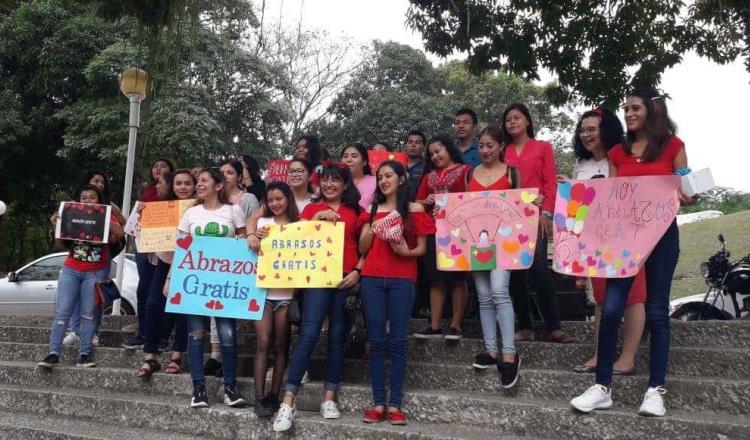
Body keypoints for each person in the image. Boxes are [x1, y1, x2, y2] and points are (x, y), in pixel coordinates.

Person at [571, 88, 695, 417]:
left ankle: (655, 390)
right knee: (610, 310)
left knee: (656, 311)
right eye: (625, 109)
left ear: (652, 111)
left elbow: (687, 185)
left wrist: (689, 194)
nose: (628, 113)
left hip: (662, 238)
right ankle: (602, 387)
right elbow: (612, 197)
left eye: (635, 108)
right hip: (623, 240)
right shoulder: (617, 152)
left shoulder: (673, 147)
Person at [273, 164, 364, 432]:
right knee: (309, 334)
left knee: (337, 335)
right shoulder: (310, 210)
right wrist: (315, 220)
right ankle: (288, 402)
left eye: (336, 180)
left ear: (346, 185)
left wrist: (358, 271)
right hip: (316, 279)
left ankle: (329, 399)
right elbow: (293, 238)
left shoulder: (356, 212)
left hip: (344, 278)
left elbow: (366, 247)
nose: (329, 184)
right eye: (325, 180)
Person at [569, 108, 647, 375]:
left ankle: (627, 357)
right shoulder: (581, 166)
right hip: (595, 239)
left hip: (627, 236)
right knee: (601, 298)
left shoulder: (625, 157)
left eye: (592, 129)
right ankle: (601, 354)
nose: (586, 135)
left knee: (634, 297)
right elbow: (578, 207)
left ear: (607, 130)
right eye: (582, 130)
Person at [358, 161, 433, 425]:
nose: (383, 180)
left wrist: (406, 252)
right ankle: (378, 404)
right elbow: (362, 247)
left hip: (403, 279)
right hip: (372, 278)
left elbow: (422, 248)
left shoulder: (415, 209)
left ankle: (397, 404)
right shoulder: (371, 209)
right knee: (377, 341)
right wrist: (374, 229)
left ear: (402, 179)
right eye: (380, 177)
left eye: (389, 175)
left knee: (399, 341)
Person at [501, 103, 573, 344]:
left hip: (536, 217)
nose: (512, 122)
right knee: (515, 275)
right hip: (510, 220)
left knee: (539, 269)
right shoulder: (504, 151)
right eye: (508, 119)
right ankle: (526, 326)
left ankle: (554, 326)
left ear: (528, 122)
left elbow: (550, 183)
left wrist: (547, 213)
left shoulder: (543, 147)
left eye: (517, 118)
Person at [177, 168, 247, 408]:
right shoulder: (191, 213)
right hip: (194, 283)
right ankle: (198, 389)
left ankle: (229, 387)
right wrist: (170, 279)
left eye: (204, 180)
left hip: (224, 285)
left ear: (219, 185)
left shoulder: (233, 211)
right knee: (196, 335)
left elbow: (243, 245)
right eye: (198, 181)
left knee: (228, 336)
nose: (199, 184)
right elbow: (181, 247)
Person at [38, 184, 124, 369]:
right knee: (63, 311)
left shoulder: (107, 215)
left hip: (96, 270)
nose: (87, 201)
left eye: (92, 197)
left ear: (99, 200)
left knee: (89, 313)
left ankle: (83, 355)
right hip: (71, 269)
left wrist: (105, 219)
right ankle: (53, 353)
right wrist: (57, 225)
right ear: (78, 200)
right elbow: (61, 243)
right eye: (83, 197)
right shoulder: (72, 214)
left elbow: (121, 234)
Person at [466, 125, 521, 388]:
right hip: (477, 242)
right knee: (484, 296)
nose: (485, 150)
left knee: (499, 291)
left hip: (506, 242)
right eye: (481, 146)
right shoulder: (470, 175)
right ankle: (491, 350)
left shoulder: (512, 172)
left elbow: (521, 206)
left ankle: (509, 354)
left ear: (501, 146)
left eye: (490, 145)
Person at [200, 160, 261, 377]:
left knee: (230, 310)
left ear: (238, 176)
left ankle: (230, 357)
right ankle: (216, 356)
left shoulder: (248, 199)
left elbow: (252, 227)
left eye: (230, 172)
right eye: (222, 172)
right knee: (215, 308)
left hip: (237, 262)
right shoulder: (210, 204)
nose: (226, 176)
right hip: (211, 264)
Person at [247, 182, 299, 417]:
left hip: (287, 296)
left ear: (288, 198)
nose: (276, 204)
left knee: (280, 346)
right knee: (263, 343)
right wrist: (252, 236)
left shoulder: (300, 227)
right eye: (271, 200)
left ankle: (274, 397)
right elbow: (250, 252)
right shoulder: (262, 224)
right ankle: (259, 397)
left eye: (280, 198)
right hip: (262, 294)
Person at [136, 170, 195, 379]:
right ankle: (151, 355)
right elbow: (142, 234)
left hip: (190, 263)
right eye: (178, 183)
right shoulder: (162, 208)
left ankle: (177, 355)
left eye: (188, 183)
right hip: (164, 260)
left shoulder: (199, 209)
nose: (183, 187)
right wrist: (144, 216)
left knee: (181, 310)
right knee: (152, 304)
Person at [413, 135, 472, 341]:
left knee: (458, 278)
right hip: (433, 230)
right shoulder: (428, 176)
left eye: (438, 151)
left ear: (449, 148)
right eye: (431, 154)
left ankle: (456, 325)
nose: (435, 156)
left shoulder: (466, 171)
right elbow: (417, 203)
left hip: (460, 230)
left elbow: (473, 199)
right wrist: (425, 201)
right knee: (435, 278)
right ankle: (435, 325)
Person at [63, 170, 125, 347]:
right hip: (76, 260)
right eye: (95, 181)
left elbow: (121, 229)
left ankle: (93, 332)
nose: (99, 185)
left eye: (102, 183)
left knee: (95, 298)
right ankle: (75, 331)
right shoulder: (73, 208)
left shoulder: (107, 208)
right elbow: (63, 235)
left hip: (100, 261)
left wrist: (113, 223)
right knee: (75, 297)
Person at [123, 158, 176, 347]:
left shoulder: (181, 205)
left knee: (161, 294)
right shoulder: (147, 191)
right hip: (147, 248)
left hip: (168, 255)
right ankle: (145, 334)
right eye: (155, 165)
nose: (158, 169)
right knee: (145, 290)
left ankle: (159, 336)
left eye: (163, 166)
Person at [341, 143, 376, 208]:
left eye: (354, 156)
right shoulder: (333, 182)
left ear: (364, 161)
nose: (348, 160)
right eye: (345, 157)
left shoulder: (375, 182)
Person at [405, 130, 426, 202]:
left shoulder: (428, 166)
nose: (413, 145)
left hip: (419, 208)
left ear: (424, 147)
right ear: (406, 145)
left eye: (417, 142)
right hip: (397, 208)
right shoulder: (398, 164)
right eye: (410, 142)